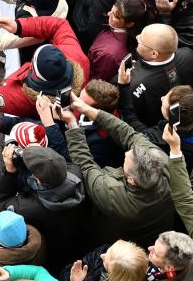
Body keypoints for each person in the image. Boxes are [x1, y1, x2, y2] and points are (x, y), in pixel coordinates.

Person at [63, 93, 175, 247]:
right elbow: (127, 133)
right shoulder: (161, 162)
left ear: (131, 180)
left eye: (125, 161)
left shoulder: (112, 193)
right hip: (154, 234)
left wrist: (72, 124)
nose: (127, 151)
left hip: (113, 243)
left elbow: (85, 164)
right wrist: (87, 109)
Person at [0, 16, 90, 118]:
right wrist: (19, 27)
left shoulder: (23, 99)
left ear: (35, 72)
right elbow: (59, 25)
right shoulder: (78, 57)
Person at [126, 23, 193, 126]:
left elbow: (133, 116)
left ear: (154, 54)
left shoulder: (135, 82)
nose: (137, 37)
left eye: (141, 41)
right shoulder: (188, 54)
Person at [88, 0, 153, 82]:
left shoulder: (108, 55)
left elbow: (97, 82)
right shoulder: (135, 31)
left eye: (115, 16)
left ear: (130, 24)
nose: (108, 14)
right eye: (111, 10)